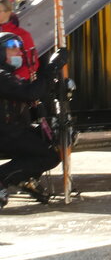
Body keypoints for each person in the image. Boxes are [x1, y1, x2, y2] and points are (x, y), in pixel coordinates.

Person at [0, 33, 64, 206]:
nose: (18, 52)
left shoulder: (8, 75)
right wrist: (52, 67)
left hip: (13, 130)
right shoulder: (1, 76)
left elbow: (30, 94)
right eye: (12, 47)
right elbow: (29, 93)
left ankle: (25, 180)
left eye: (19, 48)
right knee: (49, 156)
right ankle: (4, 178)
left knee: (48, 139)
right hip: (7, 133)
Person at [0, 0, 37, 80]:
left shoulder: (22, 35)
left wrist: (18, 78)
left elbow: (31, 63)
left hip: (13, 85)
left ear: (8, 12)